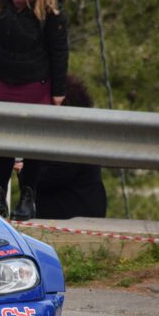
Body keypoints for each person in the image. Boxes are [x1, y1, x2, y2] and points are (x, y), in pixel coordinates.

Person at [0, 0, 69, 220]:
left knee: (32, 143)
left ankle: (28, 196)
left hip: (35, 83)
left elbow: (59, 52)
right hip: (2, 80)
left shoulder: (50, 13)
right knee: (3, 141)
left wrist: (58, 90)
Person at [34, 75, 107, 219]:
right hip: (78, 208)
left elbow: (56, 175)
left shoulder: (73, 137)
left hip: (72, 212)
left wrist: (27, 172)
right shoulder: (79, 132)